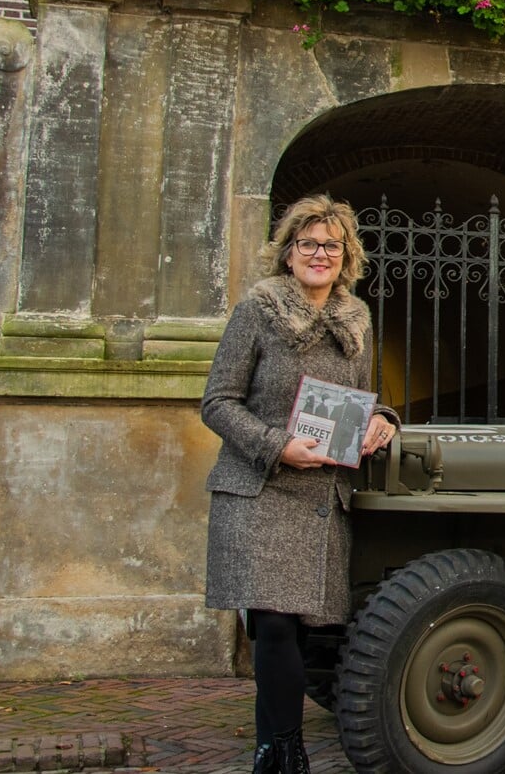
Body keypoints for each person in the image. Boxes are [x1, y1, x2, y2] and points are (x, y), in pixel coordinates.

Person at [201, 194, 400, 774]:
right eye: (308, 244)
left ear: (346, 259)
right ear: (288, 255)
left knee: (307, 634)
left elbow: (363, 400)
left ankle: (281, 745)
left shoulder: (355, 323)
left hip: (323, 501)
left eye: (331, 247)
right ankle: (280, 750)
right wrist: (274, 446)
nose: (320, 254)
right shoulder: (256, 313)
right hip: (262, 490)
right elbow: (217, 402)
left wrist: (384, 420)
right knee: (275, 626)